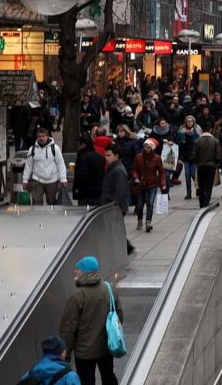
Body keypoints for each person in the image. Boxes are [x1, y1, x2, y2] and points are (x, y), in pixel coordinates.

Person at [60, 256, 122, 385]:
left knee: (86, 381)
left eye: (78, 269)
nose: (75, 271)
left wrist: (66, 351)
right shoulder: (109, 289)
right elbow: (119, 316)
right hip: (106, 347)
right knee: (108, 376)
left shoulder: (77, 296)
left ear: (85, 272)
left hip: (84, 352)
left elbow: (69, 328)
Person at [100, 146, 133, 255]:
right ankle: (125, 249)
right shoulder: (113, 168)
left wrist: (113, 204)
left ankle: (127, 249)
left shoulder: (118, 170)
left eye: (109, 155)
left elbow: (120, 190)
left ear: (116, 156)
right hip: (111, 205)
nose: (106, 158)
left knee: (114, 230)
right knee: (114, 230)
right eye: (105, 155)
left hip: (115, 206)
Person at [23, 127, 68, 205]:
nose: (41, 138)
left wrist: (63, 178)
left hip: (52, 180)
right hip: (37, 179)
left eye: (43, 136)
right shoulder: (32, 149)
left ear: (47, 136)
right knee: (36, 202)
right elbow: (28, 166)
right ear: (37, 137)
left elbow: (60, 164)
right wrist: (25, 180)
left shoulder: (55, 148)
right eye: (39, 136)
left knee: (51, 202)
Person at [132, 138, 166, 232]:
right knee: (139, 205)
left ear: (152, 148)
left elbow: (162, 172)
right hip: (141, 184)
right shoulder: (138, 157)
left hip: (152, 184)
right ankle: (140, 220)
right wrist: (136, 178)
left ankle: (148, 222)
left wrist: (163, 183)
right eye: (145, 147)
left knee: (150, 203)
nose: (146, 149)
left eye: (148, 147)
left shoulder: (157, 158)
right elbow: (134, 170)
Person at [192, 126, 222, 207]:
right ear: (210, 130)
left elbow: (193, 155)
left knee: (201, 185)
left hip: (200, 166)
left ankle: (201, 203)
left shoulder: (197, 141)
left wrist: (197, 162)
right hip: (211, 166)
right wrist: (217, 164)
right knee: (209, 185)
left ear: (202, 131)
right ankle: (206, 202)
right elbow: (219, 155)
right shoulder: (215, 141)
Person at [73, 135, 105, 206]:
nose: (77, 146)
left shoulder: (82, 157)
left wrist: (77, 189)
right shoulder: (100, 157)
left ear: (83, 145)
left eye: (78, 144)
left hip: (85, 193)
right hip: (98, 192)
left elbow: (82, 176)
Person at [175, 116, 202, 200]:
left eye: (191, 121)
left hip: (195, 156)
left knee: (193, 174)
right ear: (185, 122)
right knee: (187, 175)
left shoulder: (197, 130)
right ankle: (188, 193)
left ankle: (198, 188)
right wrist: (179, 157)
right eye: (188, 121)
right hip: (186, 157)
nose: (189, 123)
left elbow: (200, 144)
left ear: (193, 122)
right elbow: (180, 145)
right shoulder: (181, 131)